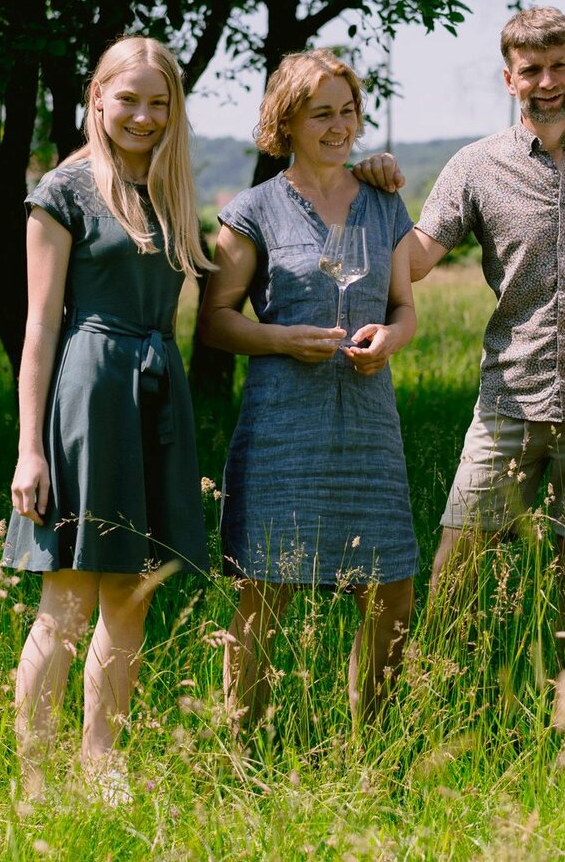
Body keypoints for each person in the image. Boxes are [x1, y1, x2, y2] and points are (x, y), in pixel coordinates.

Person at [355, 7, 565, 647]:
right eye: (530, 71)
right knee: (457, 574)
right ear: (508, 78)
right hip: (509, 403)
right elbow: (414, 260)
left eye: (556, 67)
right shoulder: (475, 166)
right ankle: (434, 699)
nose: (545, 82)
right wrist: (369, 195)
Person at [3, 35, 211, 801]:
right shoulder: (62, 190)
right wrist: (31, 449)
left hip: (158, 392)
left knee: (133, 591)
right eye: (129, 99)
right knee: (68, 597)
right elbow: (39, 328)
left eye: (160, 103)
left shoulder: (172, 189)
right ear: (97, 97)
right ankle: (35, 780)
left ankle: (102, 768)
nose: (144, 116)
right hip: (90, 391)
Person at [199, 49, 418, 733]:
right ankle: (242, 752)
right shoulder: (252, 210)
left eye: (348, 111)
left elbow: (406, 306)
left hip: (367, 421)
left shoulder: (384, 200)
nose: (339, 126)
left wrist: (391, 340)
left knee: (392, 592)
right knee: (267, 588)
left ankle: (371, 751)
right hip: (283, 425)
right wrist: (282, 338)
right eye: (321, 113)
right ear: (285, 121)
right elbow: (214, 321)